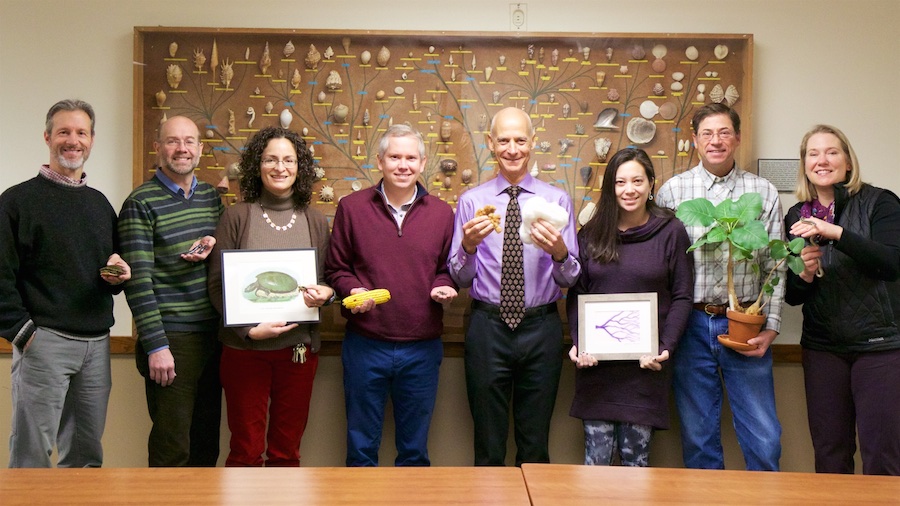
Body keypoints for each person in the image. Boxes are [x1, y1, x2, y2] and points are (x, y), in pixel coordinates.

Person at [0, 99, 131, 467]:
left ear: (91, 141)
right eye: (64, 132)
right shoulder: (16, 202)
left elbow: (110, 272)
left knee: (86, 457)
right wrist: (23, 334)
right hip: (45, 343)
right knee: (31, 455)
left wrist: (119, 271)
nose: (73, 140)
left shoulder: (99, 204)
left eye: (81, 133)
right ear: (47, 137)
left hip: (96, 346)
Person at [448, 107, 581, 466]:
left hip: (541, 328)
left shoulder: (556, 202)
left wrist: (559, 252)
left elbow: (570, 278)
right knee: (488, 443)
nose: (512, 148)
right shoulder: (472, 202)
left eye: (520, 140)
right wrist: (468, 247)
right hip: (487, 327)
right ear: (491, 144)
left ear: (533, 143)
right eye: (503, 140)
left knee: (535, 442)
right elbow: (460, 278)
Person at [656, 103, 784, 471]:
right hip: (691, 325)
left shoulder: (762, 191)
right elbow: (664, 267)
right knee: (698, 435)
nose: (716, 141)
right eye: (707, 133)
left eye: (724, 132)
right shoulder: (673, 192)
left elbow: (774, 263)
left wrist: (772, 325)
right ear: (694, 140)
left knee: (763, 435)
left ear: (738, 138)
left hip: (746, 321)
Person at [325, 124, 456, 467]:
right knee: (360, 449)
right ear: (379, 161)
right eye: (394, 157)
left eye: (410, 157)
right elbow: (336, 268)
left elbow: (447, 266)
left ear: (423, 162)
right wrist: (352, 289)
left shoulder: (443, 214)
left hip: (422, 348)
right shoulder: (351, 208)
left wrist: (444, 283)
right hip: (366, 344)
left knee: (414, 452)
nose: (403, 165)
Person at [207, 126, 332, 467]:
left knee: (286, 451)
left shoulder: (315, 220)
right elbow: (218, 285)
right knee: (245, 450)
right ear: (257, 166)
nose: (280, 167)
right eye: (271, 159)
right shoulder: (236, 216)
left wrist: (327, 293)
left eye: (288, 160)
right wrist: (248, 331)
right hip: (244, 351)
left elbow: (325, 281)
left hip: (298, 352)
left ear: (300, 167)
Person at [566, 148, 693, 466]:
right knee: (596, 463)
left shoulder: (671, 231)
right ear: (610, 186)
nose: (629, 189)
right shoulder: (591, 235)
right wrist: (579, 342)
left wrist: (665, 347)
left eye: (638, 180)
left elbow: (682, 296)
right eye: (620, 182)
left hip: (644, 370)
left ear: (651, 183)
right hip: (597, 370)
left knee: (636, 465)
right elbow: (577, 295)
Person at [785, 124, 900, 475]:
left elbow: (892, 263)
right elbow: (792, 296)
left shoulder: (881, 202)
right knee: (830, 454)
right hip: (823, 349)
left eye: (832, 152)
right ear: (804, 164)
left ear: (848, 162)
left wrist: (836, 232)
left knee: (882, 454)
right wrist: (803, 274)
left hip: (879, 347)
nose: (823, 160)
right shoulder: (796, 215)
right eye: (813, 154)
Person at [118, 116, 223, 467]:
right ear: (158, 147)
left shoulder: (210, 197)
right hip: (173, 340)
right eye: (173, 141)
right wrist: (157, 345)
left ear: (200, 149)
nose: (182, 148)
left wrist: (214, 240)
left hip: (213, 335)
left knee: (206, 444)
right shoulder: (141, 202)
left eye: (190, 141)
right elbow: (138, 280)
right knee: (172, 447)